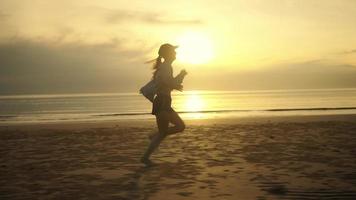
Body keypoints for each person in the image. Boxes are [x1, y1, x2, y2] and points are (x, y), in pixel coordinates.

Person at [141, 43, 187, 165]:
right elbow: (166, 82)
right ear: (169, 54)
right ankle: (145, 157)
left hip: (165, 102)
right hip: (162, 102)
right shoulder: (166, 67)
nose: (176, 53)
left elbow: (167, 83)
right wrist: (180, 78)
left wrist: (178, 80)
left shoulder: (166, 67)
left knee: (179, 127)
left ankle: (154, 137)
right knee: (165, 132)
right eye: (173, 51)